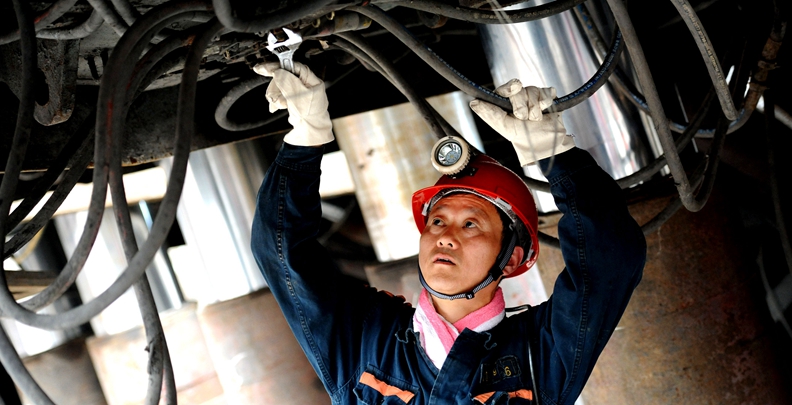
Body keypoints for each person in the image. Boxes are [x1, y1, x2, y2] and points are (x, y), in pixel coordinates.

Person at [251, 62, 646, 405]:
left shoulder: (538, 355)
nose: (445, 236)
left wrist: (553, 152)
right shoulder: (366, 337)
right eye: (437, 221)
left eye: (470, 224)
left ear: (510, 259)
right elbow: (282, 255)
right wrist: (306, 137)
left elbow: (611, 258)